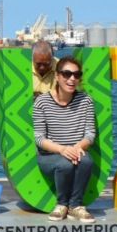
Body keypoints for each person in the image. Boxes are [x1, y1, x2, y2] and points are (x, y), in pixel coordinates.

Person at [32, 56, 97, 223]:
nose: (72, 79)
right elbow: (39, 139)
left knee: (87, 161)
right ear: (57, 76)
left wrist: (75, 148)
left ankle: (76, 206)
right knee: (64, 163)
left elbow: (90, 134)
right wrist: (62, 150)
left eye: (77, 75)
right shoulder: (42, 102)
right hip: (49, 156)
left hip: (76, 151)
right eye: (67, 74)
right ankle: (62, 204)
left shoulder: (86, 101)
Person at [0, 40, 58, 121]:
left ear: (52, 58)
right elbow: (15, 99)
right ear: (32, 58)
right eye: (38, 64)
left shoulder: (62, 68)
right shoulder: (22, 69)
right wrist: (0, 115)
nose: (42, 67)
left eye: (46, 64)